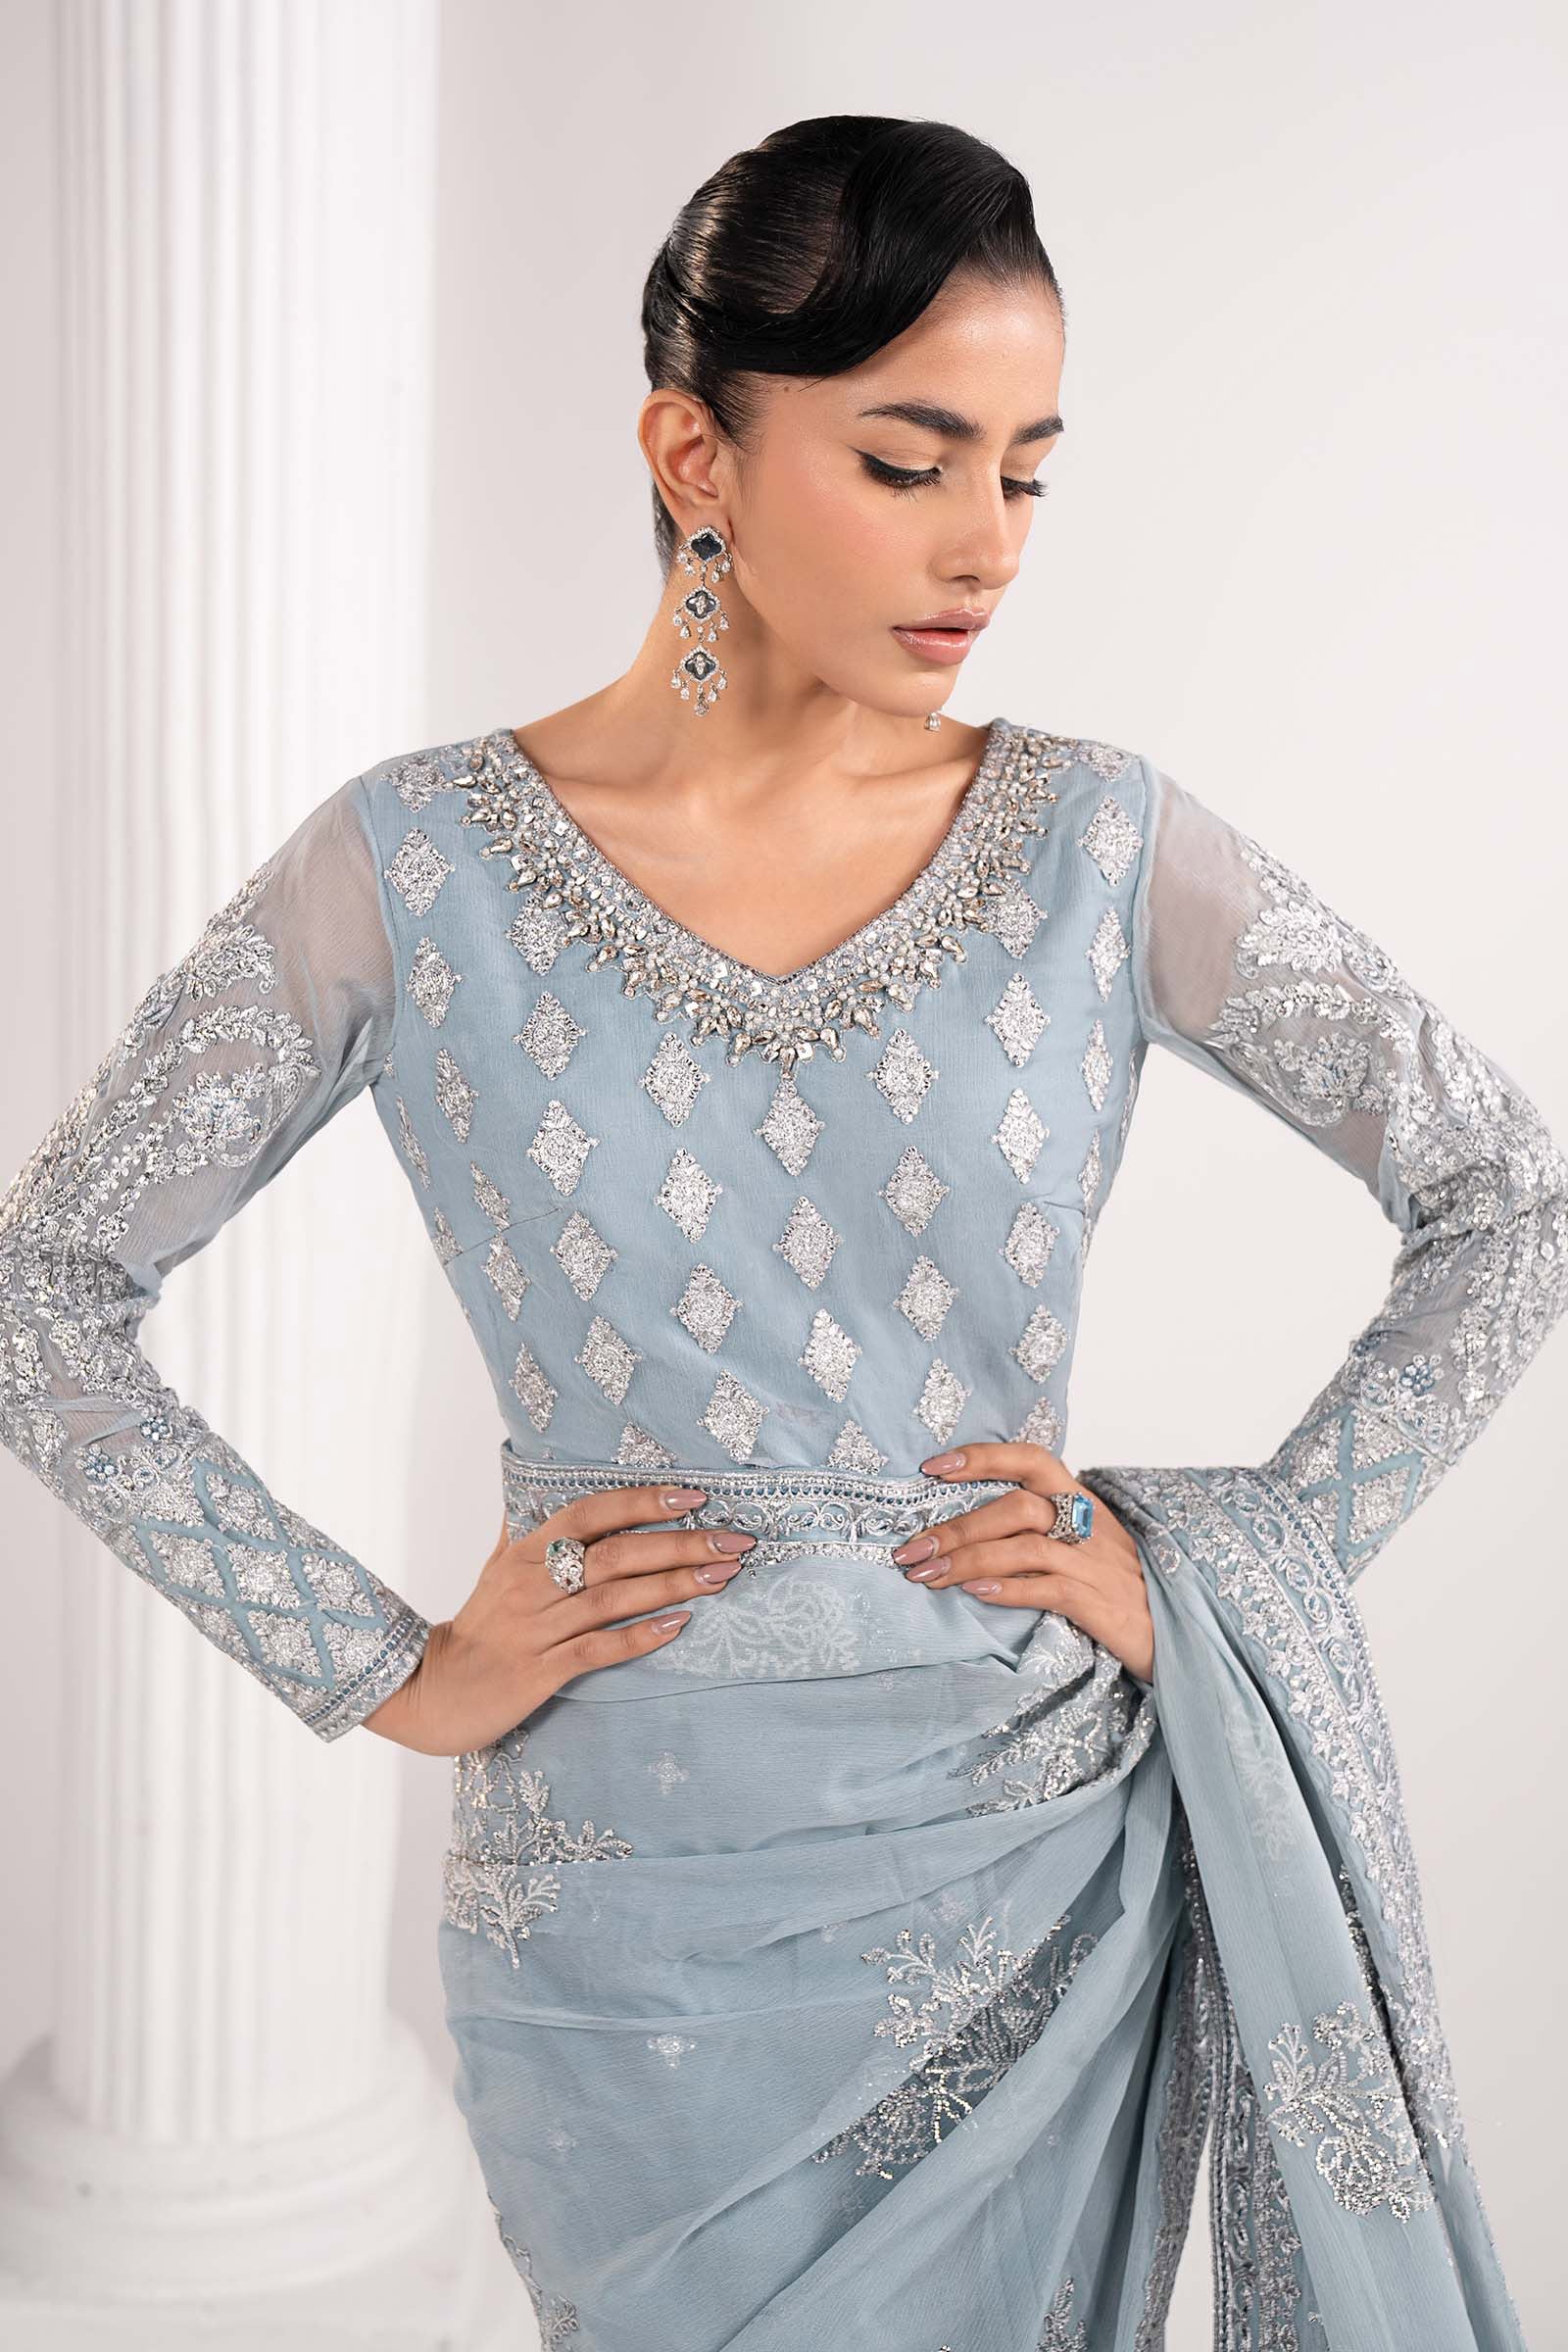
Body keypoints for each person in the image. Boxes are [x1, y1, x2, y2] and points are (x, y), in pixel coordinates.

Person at [2, 112, 1560, 2352]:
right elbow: (41, 1295)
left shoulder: (1096, 849)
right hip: (620, 1935)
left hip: (1022, 1879)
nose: (983, 545)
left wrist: (1219, 1585)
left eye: (1025, 473)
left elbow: (1505, 1195)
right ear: (692, 455)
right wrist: (382, 1663)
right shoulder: (413, 869)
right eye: (908, 461)